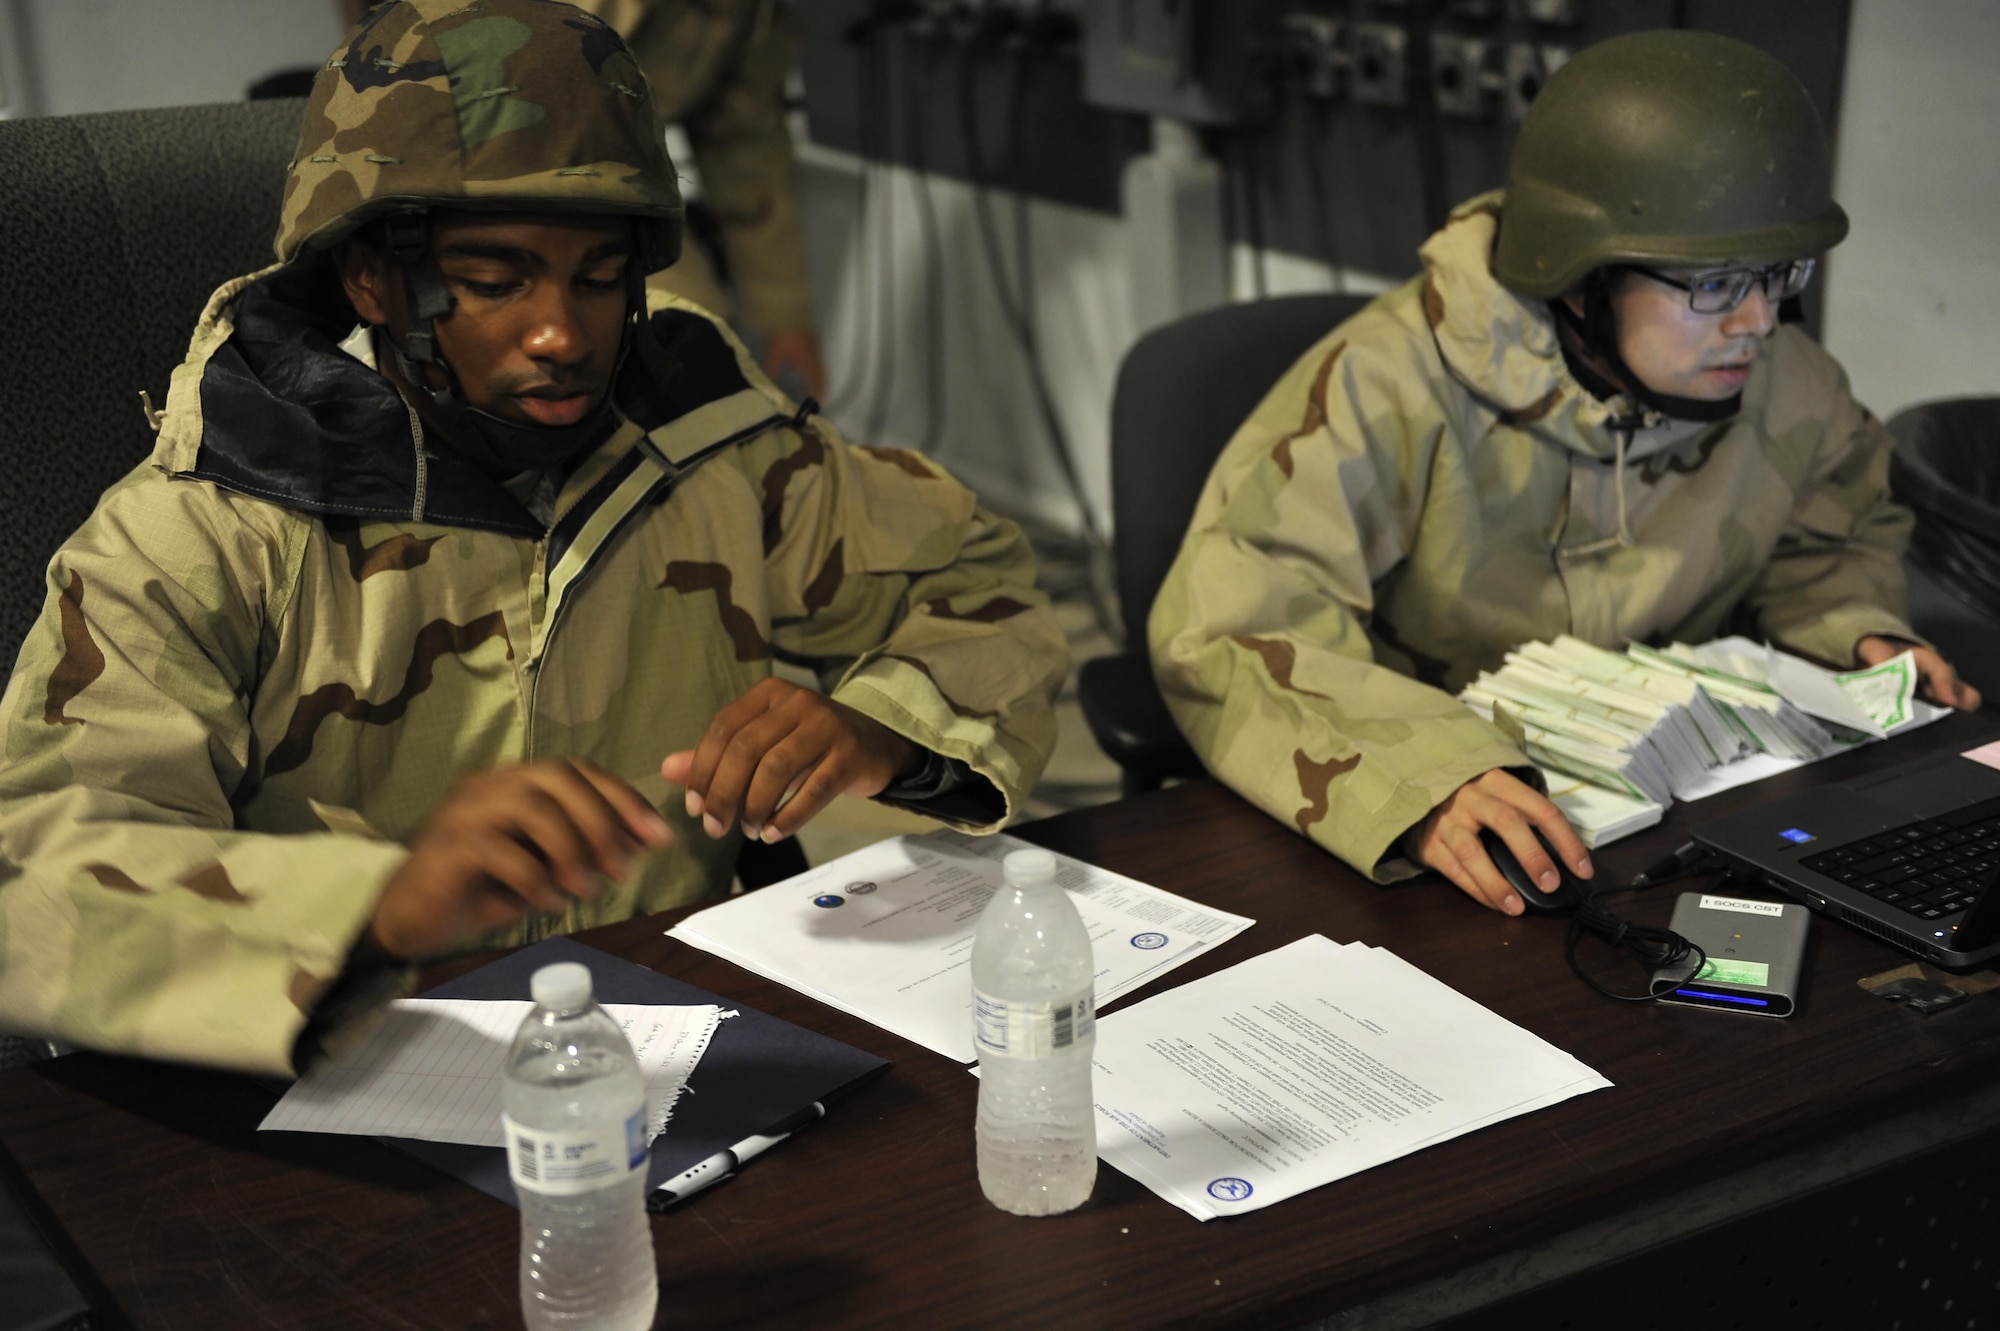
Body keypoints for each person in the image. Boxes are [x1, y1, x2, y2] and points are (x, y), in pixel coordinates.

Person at [0, 0, 1064, 1076]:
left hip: (671, 1038)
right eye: (495, 280)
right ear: (371, 277)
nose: (560, 333)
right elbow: (31, 873)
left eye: (599, 279)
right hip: (348, 1079)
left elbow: (978, 580)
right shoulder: (215, 520)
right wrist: (374, 907)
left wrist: (880, 724)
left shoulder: (707, 443)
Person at [1148, 30, 1977, 920]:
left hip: (1659, 829)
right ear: (1583, 276)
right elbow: (1231, 626)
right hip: (1450, 836)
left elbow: (1828, 539)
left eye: (1778, 276)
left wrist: (1855, 634)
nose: (1757, 321)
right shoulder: (1386, 385)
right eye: (1715, 283)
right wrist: (1419, 776)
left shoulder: (1790, 389)